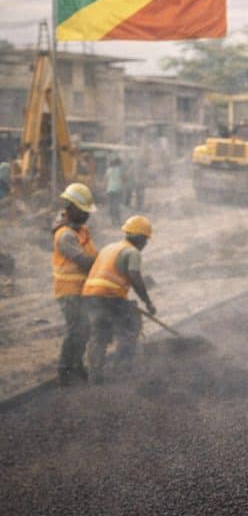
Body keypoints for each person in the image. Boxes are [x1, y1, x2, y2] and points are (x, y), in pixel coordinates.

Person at [81, 215, 156, 384]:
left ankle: (95, 374)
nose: (145, 244)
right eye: (145, 240)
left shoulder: (110, 247)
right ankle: (123, 367)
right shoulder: (132, 252)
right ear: (139, 238)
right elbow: (135, 276)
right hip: (110, 296)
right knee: (129, 327)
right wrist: (147, 302)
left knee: (99, 333)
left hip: (90, 294)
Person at [52, 183, 98, 386]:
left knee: (85, 328)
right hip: (69, 290)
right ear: (70, 209)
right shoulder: (65, 236)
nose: (87, 216)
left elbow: (93, 256)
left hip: (83, 289)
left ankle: (77, 367)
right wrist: (107, 263)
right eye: (83, 211)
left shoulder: (82, 230)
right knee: (74, 329)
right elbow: (86, 261)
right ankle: (64, 371)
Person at [103, 156, 124, 225]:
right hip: (118, 189)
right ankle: (118, 220)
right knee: (117, 205)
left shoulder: (108, 170)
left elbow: (105, 180)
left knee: (111, 205)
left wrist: (105, 189)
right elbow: (124, 178)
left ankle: (112, 220)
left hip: (109, 189)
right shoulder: (120, 169)